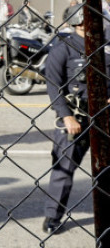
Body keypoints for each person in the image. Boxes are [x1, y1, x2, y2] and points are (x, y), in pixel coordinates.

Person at [42, 14, 110, 234]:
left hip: (106, 116)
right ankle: (52, 217)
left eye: (87, 20)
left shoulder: (105, 45)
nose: (83, 25)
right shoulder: (63, 48)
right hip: (77, 117)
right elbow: (54, 85)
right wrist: (66, 116)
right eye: (78, 21)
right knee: (63, 168)